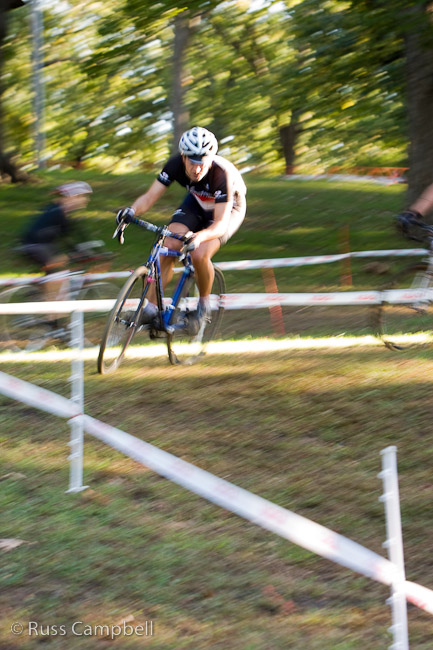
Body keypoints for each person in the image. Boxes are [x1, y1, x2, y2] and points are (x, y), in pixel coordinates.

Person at [116, 126, 247, 329]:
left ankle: (203, 306)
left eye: (203, 163)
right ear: (183, 157)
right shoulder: (174, 165)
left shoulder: (222, 175)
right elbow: (150, 197)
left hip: (228, 209)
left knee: (200, 253)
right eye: (193, 162)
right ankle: (150, 309)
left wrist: (200, 237)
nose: (197, 169)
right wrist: (131, 211)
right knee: (168, 244)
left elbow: (220, 224)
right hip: (197, 202)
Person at [19, 181, 93, 307]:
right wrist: (80, 252)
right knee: (59, 272)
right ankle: (52, 312)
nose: (86, 200)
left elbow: (70, 236)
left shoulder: (59, 210)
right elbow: (67, 236)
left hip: (40, 245)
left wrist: (78, 250)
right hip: (37, 246)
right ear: (71, 197)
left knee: (62, 266)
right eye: (82, 196)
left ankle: (41, 294)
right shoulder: (58, 211)